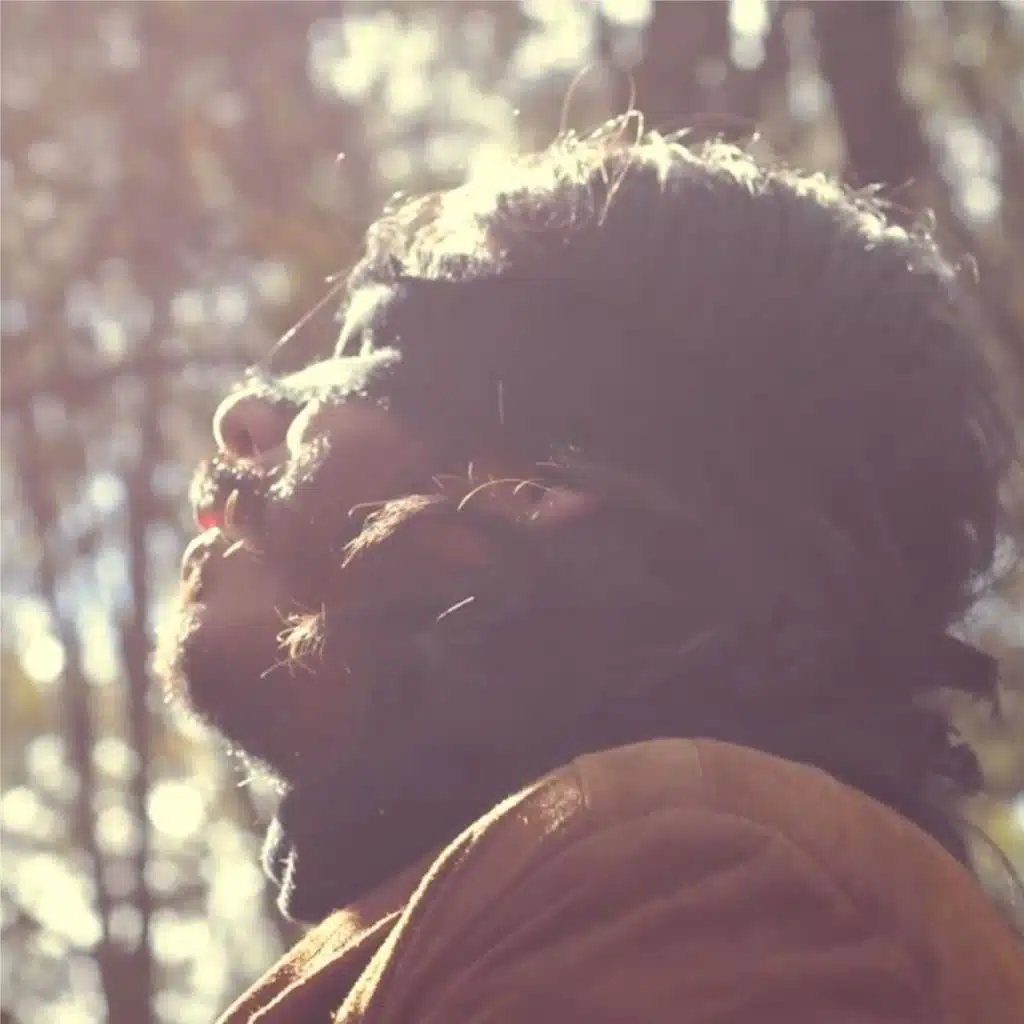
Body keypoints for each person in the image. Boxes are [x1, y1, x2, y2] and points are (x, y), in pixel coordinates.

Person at [157, 119, 1024, 1022]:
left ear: (542, 483)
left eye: (368, 360)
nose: (244, 416)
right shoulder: (540, 895)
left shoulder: (691, 884)